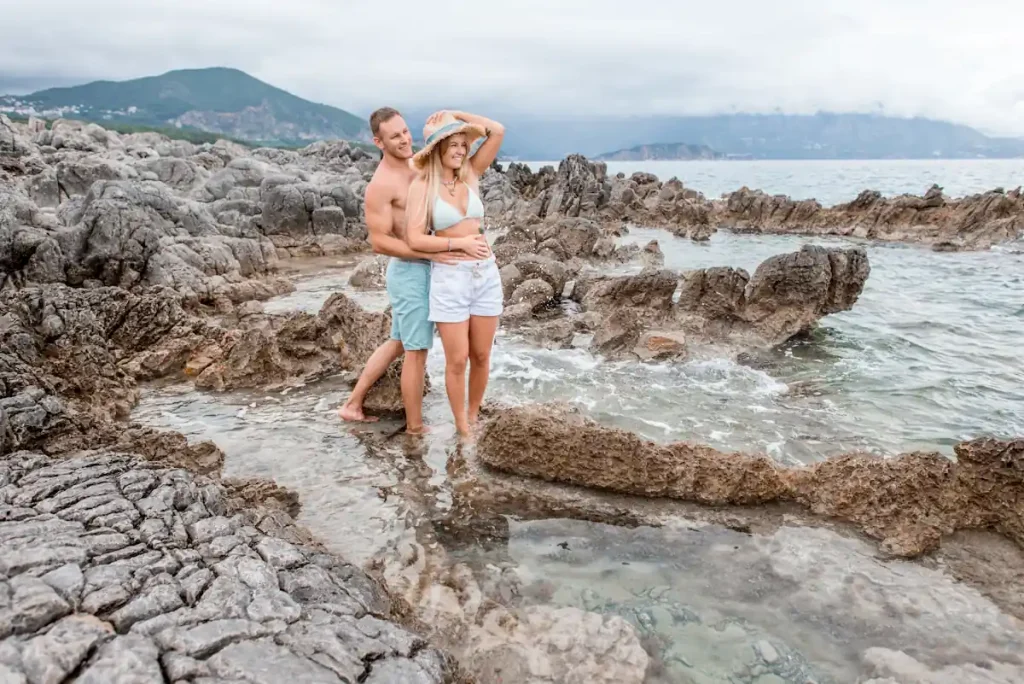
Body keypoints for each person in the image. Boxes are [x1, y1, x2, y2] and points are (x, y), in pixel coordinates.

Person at [337, 107, 490, 432]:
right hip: (411, 271)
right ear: (378, 141)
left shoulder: (419, 164)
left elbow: (453, 150)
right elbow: (379, 242)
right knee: (416, 350)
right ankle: (415, 428)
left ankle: (353, 403)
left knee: (398, 342)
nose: (404, 140)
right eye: (395, 136)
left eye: (406, 132)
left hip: (438, 267)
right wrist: (429, 252)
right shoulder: (380, 185)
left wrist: (450, 122)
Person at [404, 110, 506, 438]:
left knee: (481, 354)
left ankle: (473, 415)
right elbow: (415, 238)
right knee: (457, 360)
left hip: (485, 274)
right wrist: (456, 243)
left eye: (464, 143)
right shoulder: (422, 186)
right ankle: (461, 426)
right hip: (450, 279)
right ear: (437, 146)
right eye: (454, 143)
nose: (462, 150)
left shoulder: (471, 174)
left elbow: (498, 131)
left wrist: (458, 115)